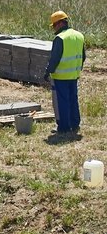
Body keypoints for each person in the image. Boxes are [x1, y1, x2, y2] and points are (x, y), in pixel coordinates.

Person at [45, 10, 85, 140]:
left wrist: (47, 71)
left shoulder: (60, 38)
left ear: (60, 23)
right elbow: (83, 56)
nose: (54, 29)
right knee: (73, 100)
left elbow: (55, 59)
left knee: (62, 102)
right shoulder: (79, 35)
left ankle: (63, 127)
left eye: (54, 25)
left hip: (60, 76)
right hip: (74, 75)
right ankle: (74, 124)